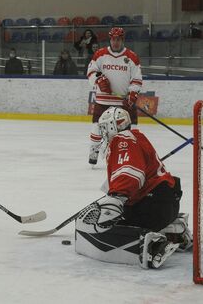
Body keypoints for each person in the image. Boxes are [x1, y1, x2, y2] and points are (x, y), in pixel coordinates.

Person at [75, 107, 191, 269]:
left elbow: (129, 172)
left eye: (104, 127)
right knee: (118, 215)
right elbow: (133, 171)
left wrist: (117, 196)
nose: (102, 132)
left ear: (113, 126)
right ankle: (175, 230)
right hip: (166, 204)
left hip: (152, 207)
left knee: (111, 227)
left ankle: (155, 246)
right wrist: (112, 192)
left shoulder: (122, 140)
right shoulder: (135, 137)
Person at [86, 27, 142, 165]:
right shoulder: (100, 54)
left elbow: (137, 79)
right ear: (110, 39)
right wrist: (98, 80)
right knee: (96, 126)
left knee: (131, 129)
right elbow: (91, 72)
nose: (115, 42)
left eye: (118, 39)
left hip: (123, 102)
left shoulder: (131, 57)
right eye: (113, 39)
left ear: (122, 40)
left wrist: (132, 93)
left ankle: (130, 155)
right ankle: (93, 152)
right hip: (103, 100)